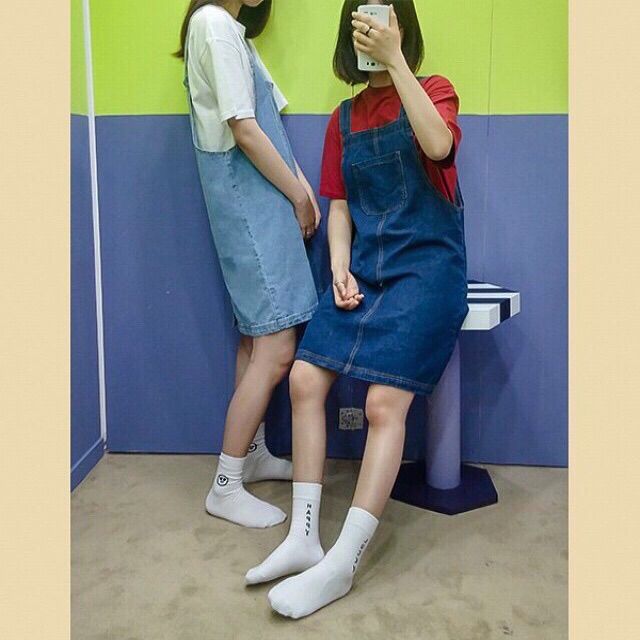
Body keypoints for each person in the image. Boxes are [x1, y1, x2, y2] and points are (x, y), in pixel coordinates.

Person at [246, 0, 468, 617]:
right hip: (364, 269)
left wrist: (397, 63)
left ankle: (342, 563)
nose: (373, 29)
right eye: (364, 20)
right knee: (304, 377)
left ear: (402, 28)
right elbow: (338, 207)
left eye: (385, 18)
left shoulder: (435, 90)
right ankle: (303, 537)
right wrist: (339, 268)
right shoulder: (342, 120)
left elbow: (439, 146)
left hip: (427, 273)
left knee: (382, 403)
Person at [175, 0, 320, 529]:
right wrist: (298, 196)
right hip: (248, 205)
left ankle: (252, 453)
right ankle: (226, 485)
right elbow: (245, 130)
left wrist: (301, 186)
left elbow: (269, 127)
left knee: (255, 339)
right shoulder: (213, 24)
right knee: (277, 346)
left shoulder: (233, 32)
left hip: (263, 204)